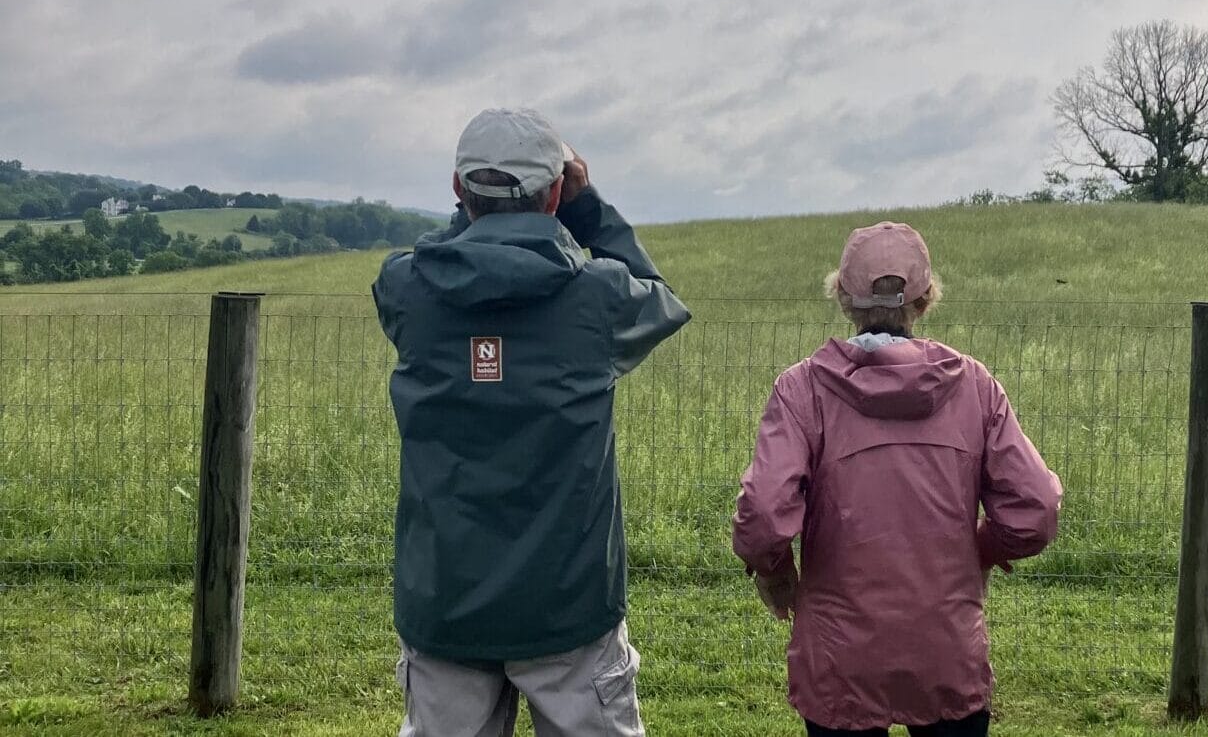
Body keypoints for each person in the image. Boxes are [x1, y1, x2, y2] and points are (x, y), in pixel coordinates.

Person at [373, 108, 690, 737]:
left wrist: (485, 210)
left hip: (444, 594)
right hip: (566, 597)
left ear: (459, 191)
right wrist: (585, 206)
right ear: (554, 194)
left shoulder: (406, 286)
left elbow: (450, 258)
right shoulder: (598, 297)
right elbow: (661, 300)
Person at [732, 222, 1063, 737]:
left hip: (840, 656)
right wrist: (983, 548)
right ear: (926, 298)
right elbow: (1037, 506)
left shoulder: (803, 389)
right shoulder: (975, 386)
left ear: (843, 295)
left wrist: (776, 575)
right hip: (946, 649)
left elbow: (762, 515)